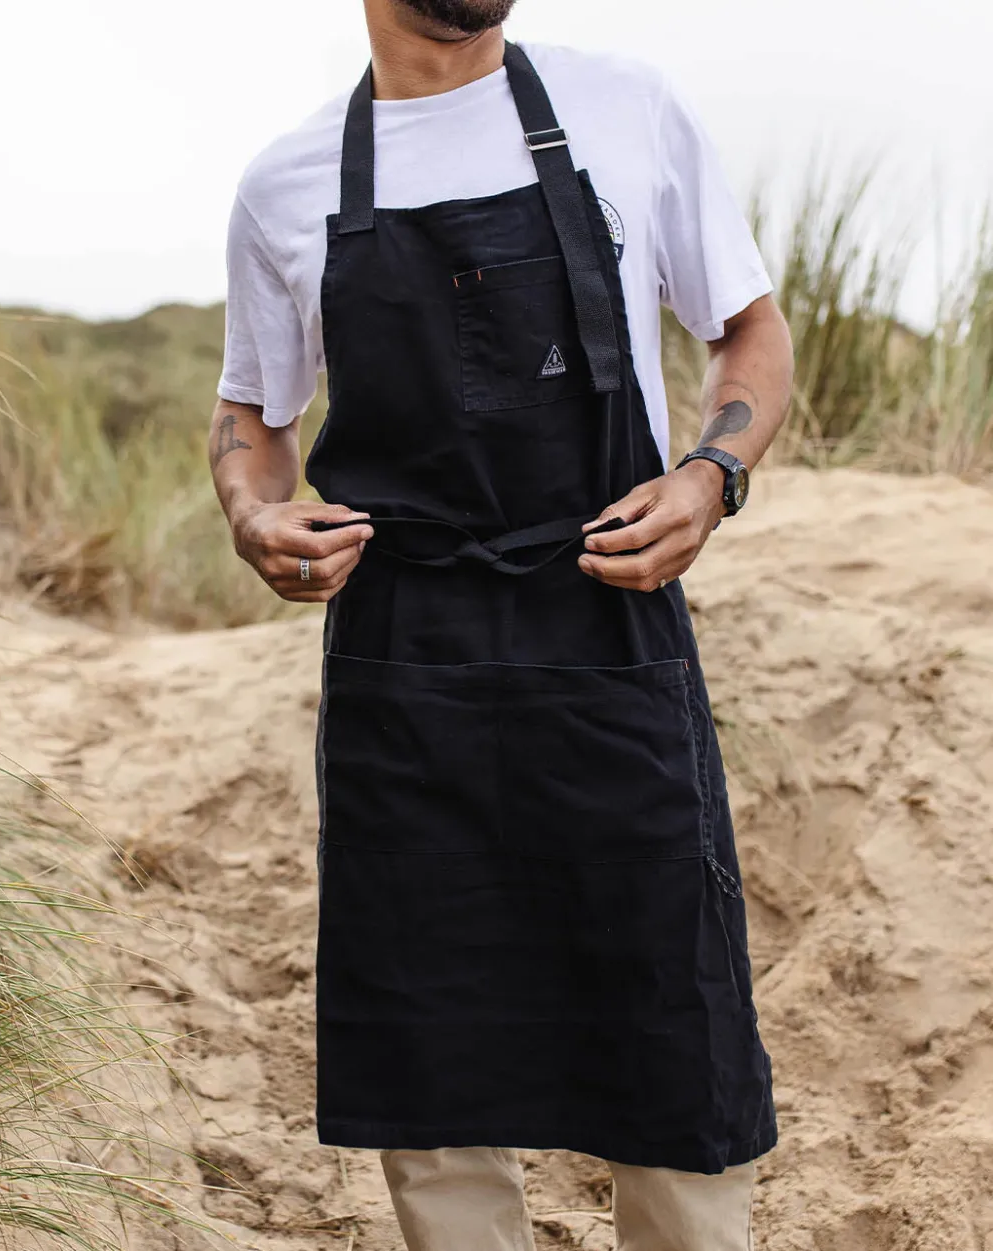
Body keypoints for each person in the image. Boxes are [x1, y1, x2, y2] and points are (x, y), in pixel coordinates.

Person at [210, 1, 794, 1247]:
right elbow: (253, 411)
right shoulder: (286, 184)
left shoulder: (627, 106)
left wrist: (711, 477)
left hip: (608, 622)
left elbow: (747, 328)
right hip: (403, 657)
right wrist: (254, 514)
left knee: (673, 1011)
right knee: (425, 1041)